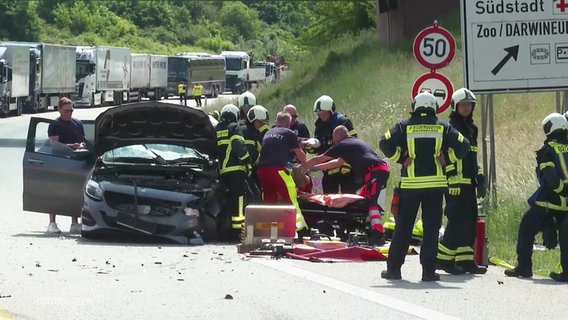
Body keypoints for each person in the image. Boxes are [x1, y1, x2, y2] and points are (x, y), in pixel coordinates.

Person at [379, 92, 470, 281]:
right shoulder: (443, 128)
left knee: (403, 228)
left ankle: (394, 270)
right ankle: (428, 272)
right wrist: (449, 158)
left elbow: (384, 142)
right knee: (431, 230)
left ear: (415, 106)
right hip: (435, 188)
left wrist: (401, 158)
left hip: (410, 187)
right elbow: (464, 145)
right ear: (434, 107)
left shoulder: (404, 126)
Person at [300, 125, 390, 246]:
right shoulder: (353, 143)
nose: (333, 140)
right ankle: (364, 227)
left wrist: (302, 168)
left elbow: (319, 158)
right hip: (378, 170)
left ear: (337, 136)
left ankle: (378, 233)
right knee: (362, 201)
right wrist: (315, 169)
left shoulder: (343, 145)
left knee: (370, 201)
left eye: (333, 137)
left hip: (375, 171)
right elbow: (337, 162)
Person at [505, 112, 568, 282]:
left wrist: (561, 189)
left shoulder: (547, 150)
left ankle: (524, 268)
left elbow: (549, 175)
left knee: (526, 227)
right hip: (566, 206)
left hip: (549, 201)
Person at [436, 88, 488, 275]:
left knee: (469, 222)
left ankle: (467, 261)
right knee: (457, 221)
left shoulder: (471, 129)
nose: (466, 108)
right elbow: (444, 158)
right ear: (455, 106)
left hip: (469, 183)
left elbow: (472, 158)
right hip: (454, 184)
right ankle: (443, 259)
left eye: (469, 105)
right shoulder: (449, 128)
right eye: (463, 104)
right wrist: (452, 180)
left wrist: (480, 179)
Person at [256, 112, 309, 239]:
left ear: (276, 121)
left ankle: (271, 231)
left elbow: (275, 148)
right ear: (288, 123)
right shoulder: (289, 133)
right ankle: (302, 230)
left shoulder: (268, 133)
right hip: (278, 169)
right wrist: (301, 150)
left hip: (262, 170)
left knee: (270, 200)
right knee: (291, 198)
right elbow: (302, 158)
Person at [46, 97, 85, 234]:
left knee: (74, 192)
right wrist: (70, 146)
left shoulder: (78, 123)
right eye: (66, 111)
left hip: (74, 162)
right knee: (55, 192)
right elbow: (54, 144)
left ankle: (74, 223)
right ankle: (52, 223)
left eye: (71, 110)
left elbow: (83, 141)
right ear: (59, 110)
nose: (69, 113)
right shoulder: (55, 124)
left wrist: (80, 146)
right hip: (58, 161)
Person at [216, 104, 252, 240]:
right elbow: (238, 146)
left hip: (222, 171)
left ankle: (223, 230)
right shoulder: (234, 128)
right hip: (236, 170)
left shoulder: (217, 129)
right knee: (239, 200)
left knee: (227, 200)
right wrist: (247, 161)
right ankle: (237, 233)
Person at [310, 95, 358, 194]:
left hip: (345, 168)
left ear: (330, 111)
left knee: (349, 199)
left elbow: (353, 142)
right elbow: (319, 148)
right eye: (319, 114)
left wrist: (348, 163)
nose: (321, 116)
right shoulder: (319, 126)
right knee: (329, 200)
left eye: (323, 113)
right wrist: (311, 147)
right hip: (328, 168)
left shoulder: (342, 121)